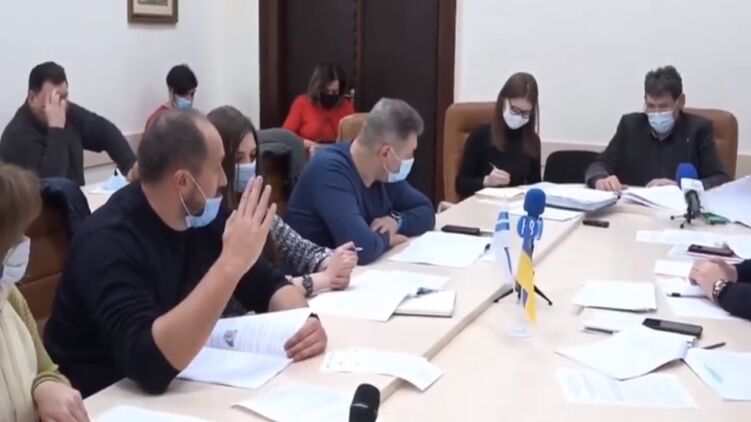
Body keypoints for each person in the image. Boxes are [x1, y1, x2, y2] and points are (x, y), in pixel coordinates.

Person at [44, 111, 326, 397]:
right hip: (103, 400)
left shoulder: (202, 217)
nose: (224, 180)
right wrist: (229, 266)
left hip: (175, 389)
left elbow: (269, 284)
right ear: (183, 181)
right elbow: (149, 365)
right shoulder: (107, 243)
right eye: (216, 167)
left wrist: (303, 322)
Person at [207, 105, 357, 298]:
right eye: (237, 158)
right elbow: (250, 292)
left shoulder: (256, 206)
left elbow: (303, 250)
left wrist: (334, 263)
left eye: (252, 156)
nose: (248, 165)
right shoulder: (210, 216)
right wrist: (323, 279)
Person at [285, 98, 435, 265]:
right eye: (408, 154)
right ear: (386, 153)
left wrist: (396, 222)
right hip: (313, 278)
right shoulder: (329, 171)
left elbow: (426, 211)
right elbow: (361, 249)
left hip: (357, 274)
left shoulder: (384, 173)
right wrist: (386, 238)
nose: (410, 160)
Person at [0, 164, 88, 422]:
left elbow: (47, 368)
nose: (23, 242)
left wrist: (46, 386)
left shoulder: (9, 295)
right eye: (14, 236)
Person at [586, 65, 730, 191]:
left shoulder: (698, 130)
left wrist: (680, 186)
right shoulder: (630, 126)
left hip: (678, 210)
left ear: (680, 102)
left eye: (663, 107)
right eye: (651, 106)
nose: (657, 113)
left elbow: (721, 179)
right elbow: (599, 164)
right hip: (634, 209)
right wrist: (600, 179)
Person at [0, 61, 136, 186]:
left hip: (76, 199)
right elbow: (50, 187)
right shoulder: (16, 136)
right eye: (52, 99)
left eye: (64, 97)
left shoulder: (67, 110)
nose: (59, 106)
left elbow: (106, 132)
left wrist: (130, 166)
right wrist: (56, 129)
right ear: (32, 98)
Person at [455, 72, 541, 198]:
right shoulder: (480, 135)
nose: (519, 117)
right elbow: (461, 185)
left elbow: (536, 186)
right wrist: (487, 181)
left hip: (516, 206)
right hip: (482, 205)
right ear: (503, 101)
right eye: (515, 110)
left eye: (525, 113)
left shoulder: (532, 141)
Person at [282, 61, 355, 152]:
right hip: (307, 155)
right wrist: (308, 144)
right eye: (326, 91)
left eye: (334, 92)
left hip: (336, 155)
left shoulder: (346, 106)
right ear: (317, 88)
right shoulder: (302, 103)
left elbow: (355, 138)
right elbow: (285, 136)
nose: (330, 95)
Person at [144, 64, 198, 131]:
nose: (189, 100)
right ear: (171, 92)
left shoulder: (194, 118)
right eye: (184, 94)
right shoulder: (156, 121)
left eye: (192, 94)